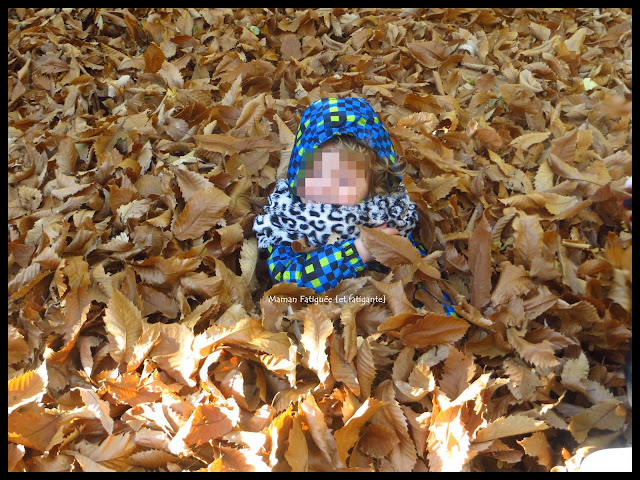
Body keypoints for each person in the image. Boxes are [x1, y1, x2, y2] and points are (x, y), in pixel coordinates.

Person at [253, 97, 456, 314]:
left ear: (373, 186)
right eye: (313, 173)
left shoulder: (382, 218)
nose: (322, 189)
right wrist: (354, 253)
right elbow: (290, 283)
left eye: (342, 182)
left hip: (380, 319)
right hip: (321, 325)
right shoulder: (288, 221)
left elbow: (418, 274)